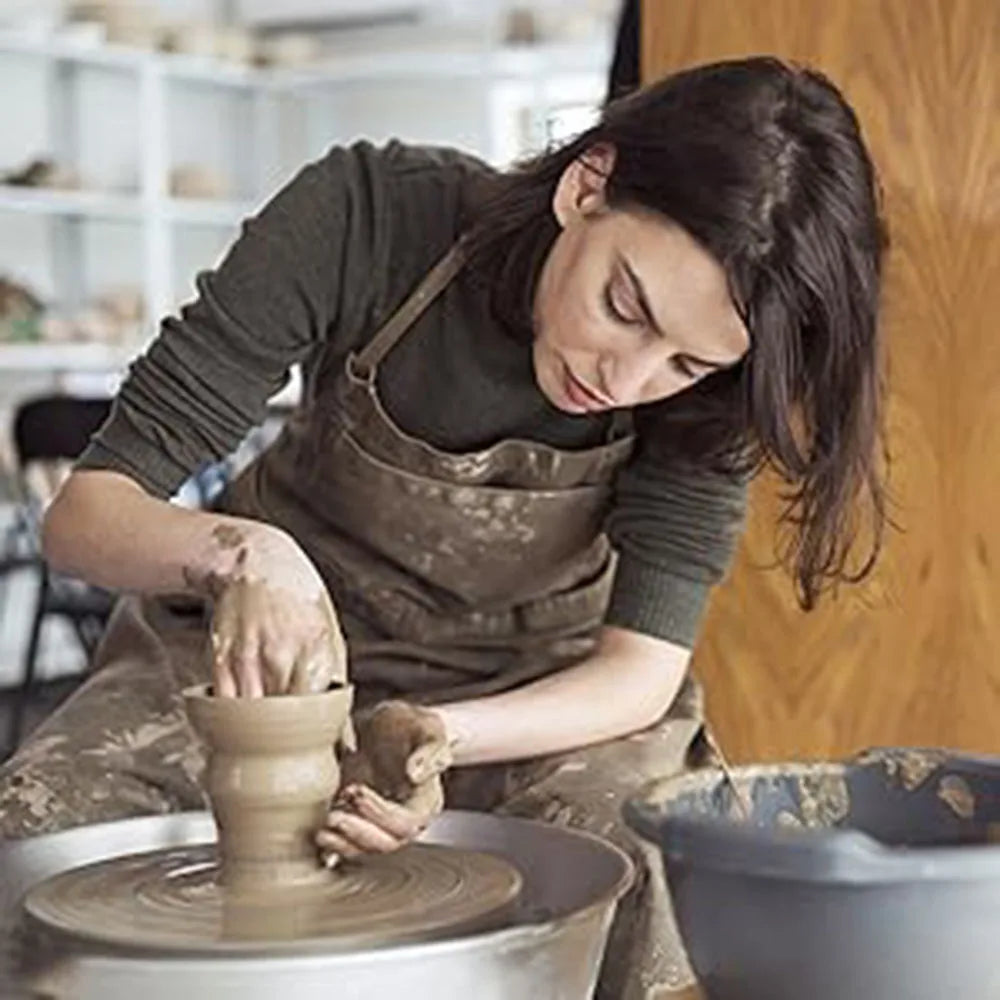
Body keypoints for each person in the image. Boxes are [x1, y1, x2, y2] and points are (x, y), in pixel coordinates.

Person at [0, 57, 887, 997]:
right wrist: (239, 553)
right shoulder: (374, 217)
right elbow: (85, 514)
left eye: (686, 363)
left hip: (531, 696)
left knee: (647, 865)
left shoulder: (710, 402)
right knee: (44, 832)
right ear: (588, 187)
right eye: (624, 308)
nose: (628, 379)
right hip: (254, 667)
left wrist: (439, 736)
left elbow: (640, 672)